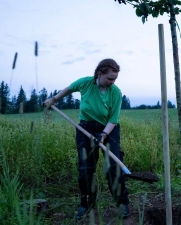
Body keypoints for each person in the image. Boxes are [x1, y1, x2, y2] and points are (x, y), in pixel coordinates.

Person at [43, 58, 130, 220]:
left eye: (115, 79)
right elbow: (69, 89)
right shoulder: (85, 83)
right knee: (85, 169)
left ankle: (122, 202)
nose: (113, 82)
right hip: (85, 129)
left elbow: (113, 119)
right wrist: (54, 100)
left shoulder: (116, 92)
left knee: (113, 166)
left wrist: (103, 136)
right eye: (110, 78)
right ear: (99, 73)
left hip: (109, 130)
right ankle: (87, 203)